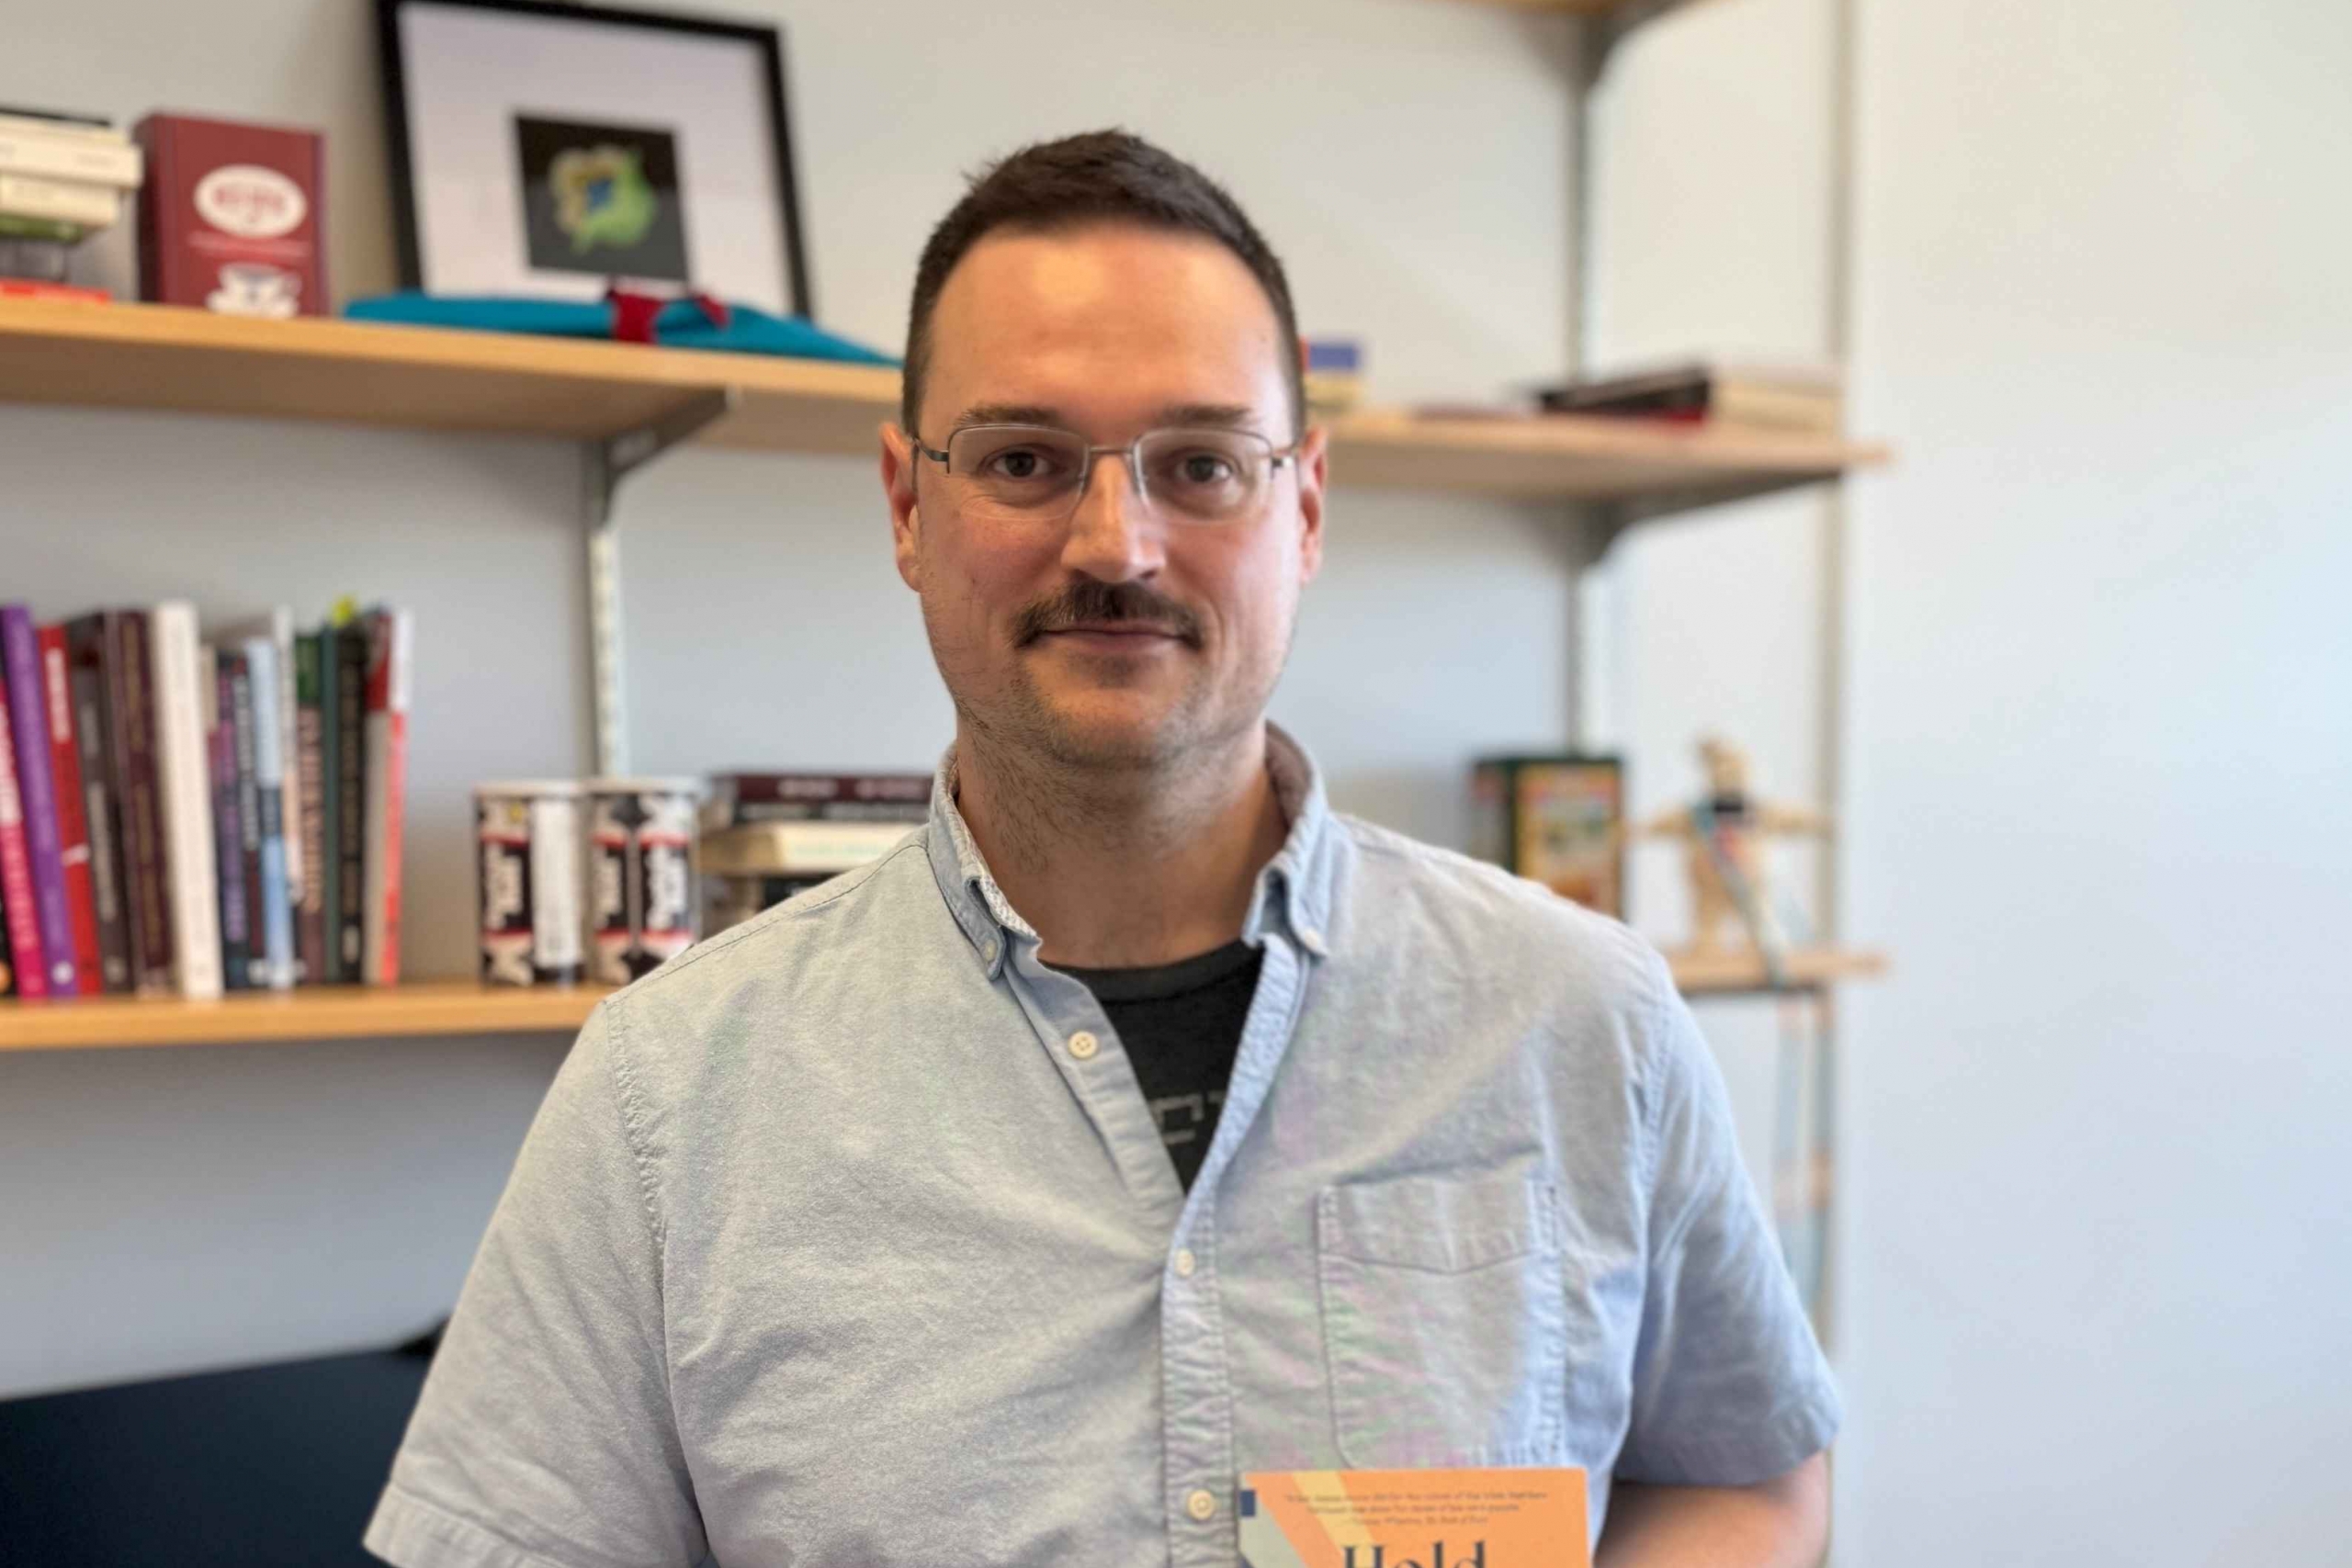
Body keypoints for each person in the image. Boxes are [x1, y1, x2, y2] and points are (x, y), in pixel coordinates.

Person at [365, 130, 1838, 1568]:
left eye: (1201, 464)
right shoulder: (669, 1097)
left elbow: (1747, 1473)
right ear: (908, 506)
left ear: (1304, 508)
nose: (1116, 543)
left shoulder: (1580, 1016)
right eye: (1025, 459)